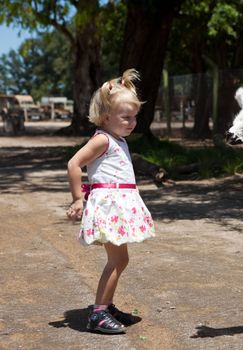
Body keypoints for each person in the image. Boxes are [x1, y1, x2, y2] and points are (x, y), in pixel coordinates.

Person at [66, 69, 155, 334]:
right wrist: (77, 199)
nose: (132, 122)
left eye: (134, 117)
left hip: (119, 206)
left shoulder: (117, 139)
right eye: (125, 117)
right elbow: (74, 163)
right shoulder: (103, 139)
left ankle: (107, 305)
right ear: (106, 117)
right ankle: (98, 314)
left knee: (121, 260)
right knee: (116, 261)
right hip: (109, 207)